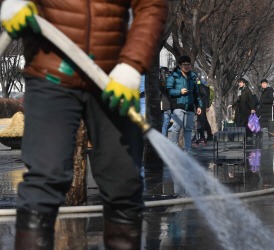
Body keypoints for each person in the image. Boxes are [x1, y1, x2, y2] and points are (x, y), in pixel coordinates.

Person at [0, 1, 167, 249]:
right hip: (50, 74)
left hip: (113, 79)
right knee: (44, 181)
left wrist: (133, 64)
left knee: (123, 182)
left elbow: (152, 5)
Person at [167, 55, 202, 156]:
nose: (186, 67)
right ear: (179, 65)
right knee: (177, 127)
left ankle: (188, 150)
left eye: (188, 65)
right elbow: (169, 91)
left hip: (190, 106)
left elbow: (196, 93)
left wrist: (199, 106)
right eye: (184, 65)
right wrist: (179, 92)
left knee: (188, 129)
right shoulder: (173, 76)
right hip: (178, 105)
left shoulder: (193, 77)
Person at [194, 79, 212, 144]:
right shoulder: (199, 84)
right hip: (200, 104)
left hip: (201, 105)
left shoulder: (201, 85)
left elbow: (205, 96)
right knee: (202, 120)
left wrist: (206, 106)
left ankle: (203, 136)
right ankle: (206, 135)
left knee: (201, 120)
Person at [160, 67, 172, 137]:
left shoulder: (159, 82)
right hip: (170, 106)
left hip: (165, 106)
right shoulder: (171, 81)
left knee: (164, 125)